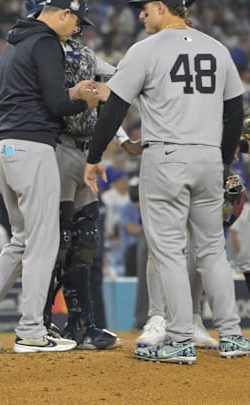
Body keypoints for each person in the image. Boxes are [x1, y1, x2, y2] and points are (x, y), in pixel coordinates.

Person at [83, 0, 250, 363]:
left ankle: (178, 339)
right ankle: (233, 336)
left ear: (162, 6)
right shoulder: (217, 47)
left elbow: (114, 106)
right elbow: (235, 111)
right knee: (211, 250)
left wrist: (95, 157)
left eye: (144, 9)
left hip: (167, 157)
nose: (140, 15)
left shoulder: (146, 49)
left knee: (169, 252)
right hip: (208, 157)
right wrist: (222, 160)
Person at [0, 0, 98, 355]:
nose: (77, 28)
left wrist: (68, 95)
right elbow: (57, 107)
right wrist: (83, 103)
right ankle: (30, 330)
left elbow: (40, 96)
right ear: (62, 12)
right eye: (76, 20)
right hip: (32, 147)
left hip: (3, 148)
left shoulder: (18, 40)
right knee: (44, 240)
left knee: (22, 238)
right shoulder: (46, 42)